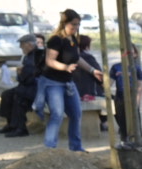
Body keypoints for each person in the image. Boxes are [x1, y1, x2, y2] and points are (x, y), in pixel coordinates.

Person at [39, 9, 98, 151]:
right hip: (53, 83)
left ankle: (76, 147)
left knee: (76, 114)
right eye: (73, 24)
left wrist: (92, 70)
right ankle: (50, 148)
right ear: (64, 23)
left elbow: (77, 58)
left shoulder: (73, 40)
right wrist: (65, 67)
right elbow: (50, 61)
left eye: (78, 25)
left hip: (68, 83)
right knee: (57, 114)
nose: (76, 28)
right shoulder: (55, 40)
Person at [0, 35, 45, 138]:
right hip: (30, 86)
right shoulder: (30, 55)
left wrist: (19, 74)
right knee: (7, 94)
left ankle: (21, 128)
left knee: (19, 96)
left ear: (29, 45)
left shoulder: (34, 57)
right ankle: (11, 124)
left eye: (22, 45)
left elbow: (26, 77)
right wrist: (20, 74)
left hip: (36, 88)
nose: (20, 47)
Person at [110, 44, 142, 143]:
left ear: (135, 55)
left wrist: (137, 100)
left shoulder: (136, 69)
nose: (128, 55)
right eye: (126, 52)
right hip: (120, 97)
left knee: (135, 122)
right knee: (121, 120)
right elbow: (109, 83)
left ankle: (137, 142)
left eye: (131, 53)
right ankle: (124, 140)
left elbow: (140, 86)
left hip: (132, 98)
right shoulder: (116, 67)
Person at [73, 33, 107, 132]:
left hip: (74, 91)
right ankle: (104, 123)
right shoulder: (88, 58)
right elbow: (99, 76)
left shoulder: (69, 57)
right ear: (87, 45)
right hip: (88, 92)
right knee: (111, 98)